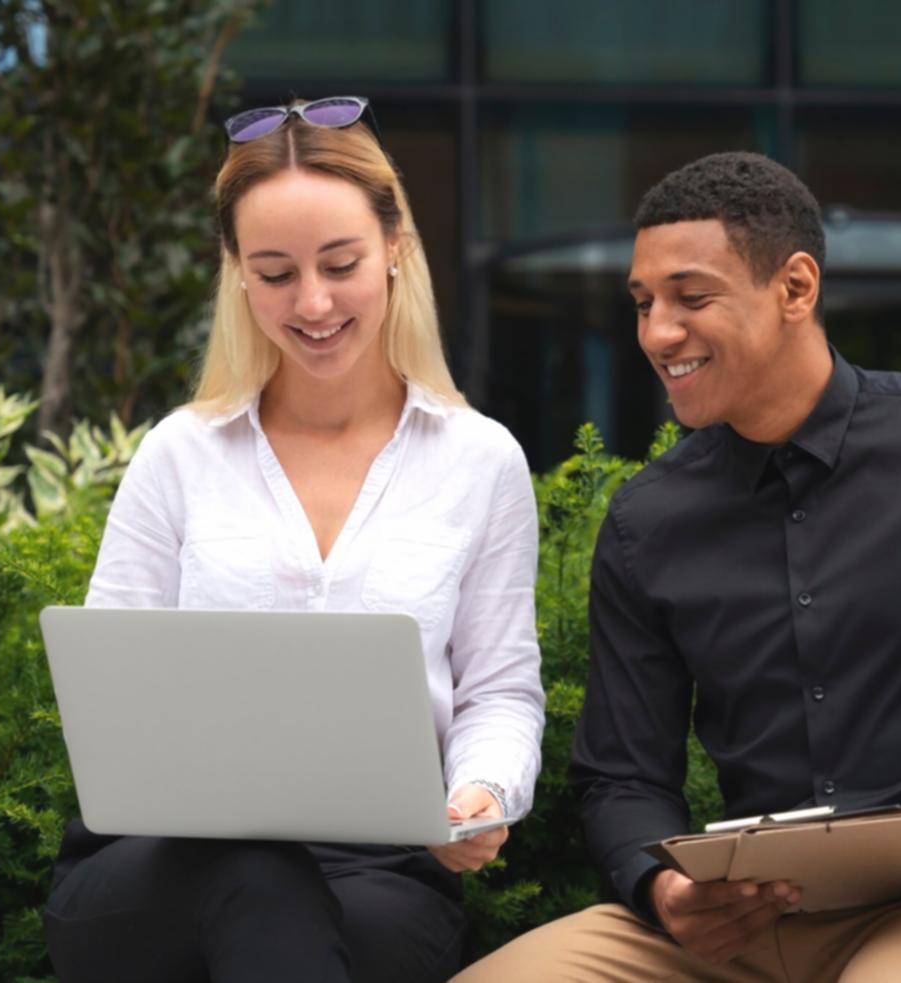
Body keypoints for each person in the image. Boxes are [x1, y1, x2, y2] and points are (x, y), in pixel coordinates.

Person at [455, 152, 901, 982]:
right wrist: (663, 891)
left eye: (692, 298)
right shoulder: (646, 520)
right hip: (735, 932)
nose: (658, 332)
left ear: (796, 289)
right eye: (643, 303)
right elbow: (622, 775)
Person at [43, 96, 545, 983]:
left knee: (286, 910)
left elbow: (499, 690)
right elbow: (109, 684)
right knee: (256, 875)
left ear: (395, 245)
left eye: (340, 263)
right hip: (160, 868)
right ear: (236, 270)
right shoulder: (179, 454)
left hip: (382, 877)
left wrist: (480, 795)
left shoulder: (480, 461)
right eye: (275, 272)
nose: (312, 303)